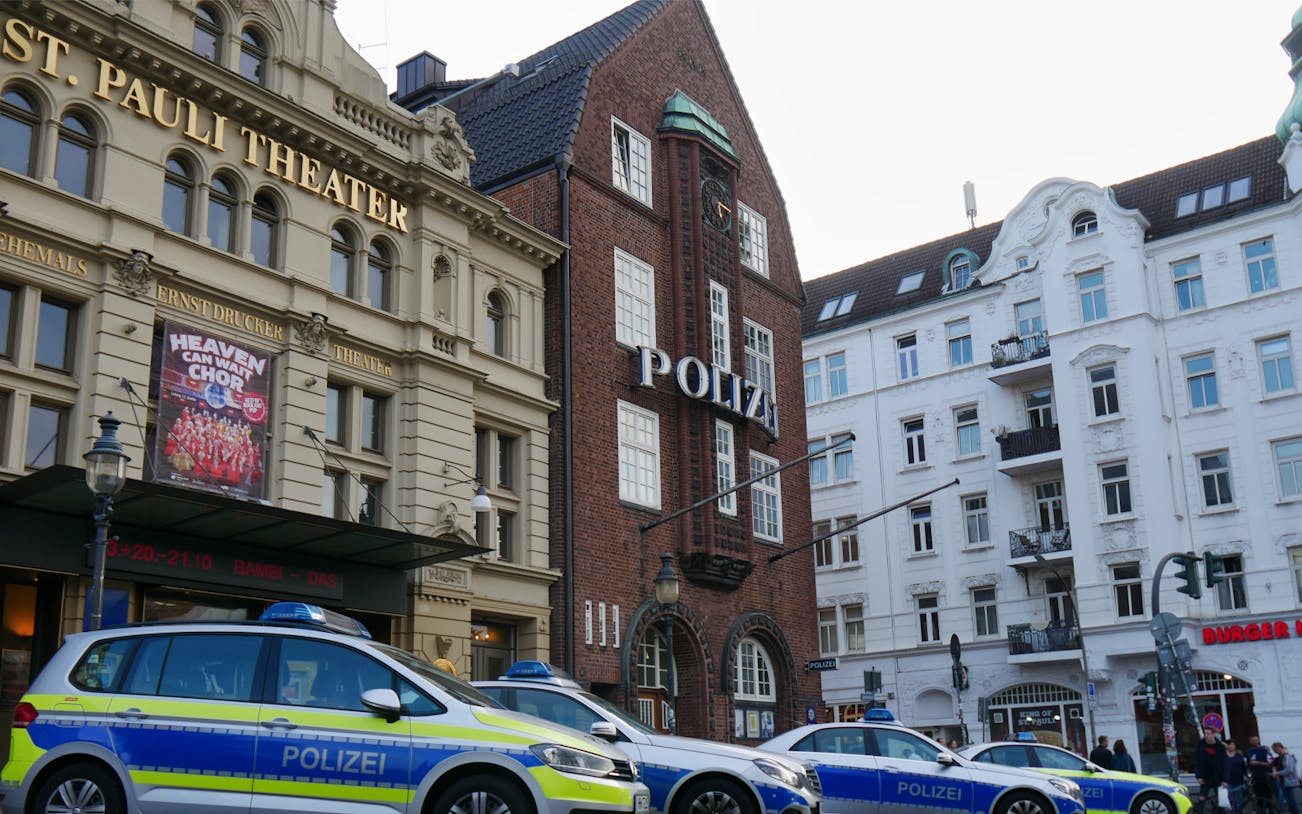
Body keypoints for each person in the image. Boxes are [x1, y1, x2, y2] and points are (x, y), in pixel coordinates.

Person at [1194, 728, 1230, 807]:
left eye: (1208, 733)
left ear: (1214, 734)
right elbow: (1197, 761)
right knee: (1202, 799)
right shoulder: (1200, 745)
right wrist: (1199, 776)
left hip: (1218, 777)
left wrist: (1225, 779)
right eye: (1205, 733)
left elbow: (1225, 764)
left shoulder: (1220, 747)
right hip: (1205, 777)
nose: (1206, 735)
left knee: (1220, 800)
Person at [1272, 742, 1300, 814]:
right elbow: (1275, 765)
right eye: (1274, 750)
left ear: (1280, 747)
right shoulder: (1279, 757)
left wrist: (1276, 773)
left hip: (1288, 781)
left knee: (1291, 800)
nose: (1275, 751)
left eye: (1276, 749)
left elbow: (1289, 770)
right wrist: (1275, 773)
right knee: (1289, 800)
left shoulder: (1288, 756)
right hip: (1282, 781)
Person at [1247, 736, 1276, 806]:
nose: (1255, 742)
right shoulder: (1249, 751)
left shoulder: (1264, 750)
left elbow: (1270, 763)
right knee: (1258, 795)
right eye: (1253, 740)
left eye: (1256, 740)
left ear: (1259, 741)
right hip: (1255, 777)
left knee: (1267, 795)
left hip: (1265, 776)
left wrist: (1258, 763)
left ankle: (1271, 809)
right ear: (1250, 742)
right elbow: (1248, 764)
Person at [1226, 740, 1249, 814]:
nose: (1231, 746)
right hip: (1227, 782)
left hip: (1238, 781)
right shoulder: (1223, 756)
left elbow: (1244, 768)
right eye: (1229, 744)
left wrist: (1245, 776)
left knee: (1239, 802)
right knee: (1228, 802)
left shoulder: (1239, 756)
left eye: (1233, 744)